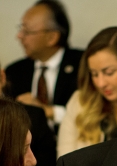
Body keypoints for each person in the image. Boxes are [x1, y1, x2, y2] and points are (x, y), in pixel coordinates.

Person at [57, 26, 117, 158]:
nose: (101, 83)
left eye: (109, 72)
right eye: (94, 74)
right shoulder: (80, 102)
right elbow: (66, 164)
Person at [5, 0, 83, 134]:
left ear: (52, 37)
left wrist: (46, 110)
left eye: (27, 31)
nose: (19, 36)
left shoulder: (82, 65)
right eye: (20, 29)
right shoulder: (14, 72)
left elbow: (91, 113)